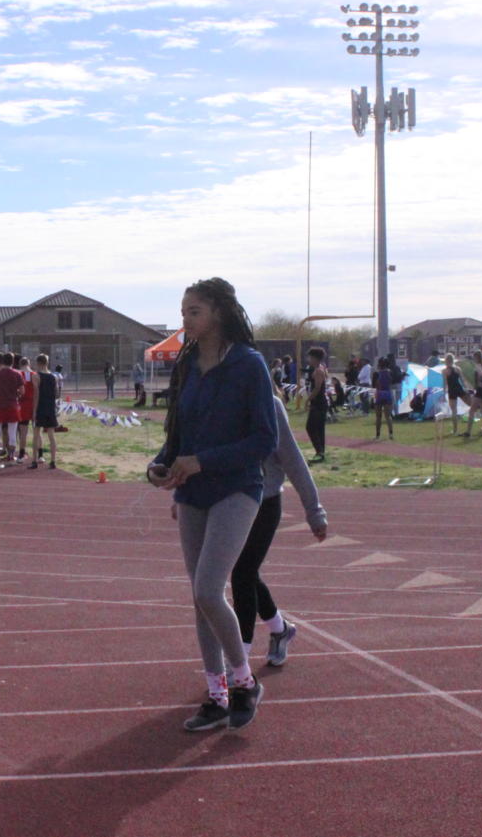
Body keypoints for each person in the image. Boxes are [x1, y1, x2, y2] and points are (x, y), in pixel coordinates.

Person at [146, 277, 275, 732]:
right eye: (183, 311)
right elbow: (176, 436)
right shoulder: (186, 367)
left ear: (219, 312)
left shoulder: (249, 365)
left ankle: (244, 682)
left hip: (237, 487)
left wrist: (202, 461)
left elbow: (264, 439)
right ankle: (216, 695)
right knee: (200, 599)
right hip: (193, 491)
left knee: (207, 588)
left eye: (194, 311)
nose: (185, 319)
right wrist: (160, 466)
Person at [231, 396, 329, 667]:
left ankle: (240, 655)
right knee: (246, 572)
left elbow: (293, 459)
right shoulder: (222, 399)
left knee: (242, 572)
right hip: (232, 503)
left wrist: (314, 511)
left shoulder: (269, 405)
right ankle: (280, 629)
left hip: (266, 501)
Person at [0, 352, 23, 463]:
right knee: (12, 432)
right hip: (13, 406)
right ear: (13, 362)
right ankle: (11, 455)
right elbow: (22, 391)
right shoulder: (17, 374)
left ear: (2, 361)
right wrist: (15, 393)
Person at [29, 354, 59, 470]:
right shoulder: (54, 376)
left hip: (41, 407)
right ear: (47, 362)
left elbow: (36, 394)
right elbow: (56, 393)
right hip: (50, 407)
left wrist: (34, 411)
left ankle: (34, 461)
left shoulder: (36, 376)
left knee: (36, 434)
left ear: (38, 363)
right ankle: (53, 461)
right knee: (51, 434)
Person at [303, 347, 328, 461]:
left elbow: (317, 388)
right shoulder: (319, 368)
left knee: (310, 427)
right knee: (318, 428)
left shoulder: (318, 370)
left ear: (315, 358)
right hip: (319, 402)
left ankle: (319, 451)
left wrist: (308, 399)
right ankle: (321, 452)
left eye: (310, 357)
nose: (309, 359)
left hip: (318, 402)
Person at [443, 354, 474, 437]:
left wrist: (443, 393)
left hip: (452, 391)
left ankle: (455, 430)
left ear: (446, 361)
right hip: (459, 389)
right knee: (471, 405)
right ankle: (470, 423)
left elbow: (445, 383)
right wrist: (467, 389)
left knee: (454, 411)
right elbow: (463, 381)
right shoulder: (457, 369)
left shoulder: (445, 371)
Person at [16, 356, 36, 461]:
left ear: (20, 364)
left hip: (22, 405)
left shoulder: (18, 374)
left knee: (23, 431)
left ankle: (21, 453)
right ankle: (39, 454)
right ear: (29, 364)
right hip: (33, 404)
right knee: (36, 430)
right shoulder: (34, 374)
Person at [373, 355, 396, 439]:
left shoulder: (376, 373)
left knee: (378, 416)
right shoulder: (390, 372)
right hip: (388, 393)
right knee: (388, 416)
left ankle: (377, 435)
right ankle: (391, 434)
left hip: (379, 394)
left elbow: (374, 384)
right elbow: (392, 382)